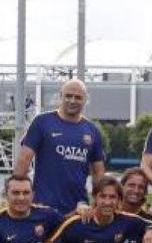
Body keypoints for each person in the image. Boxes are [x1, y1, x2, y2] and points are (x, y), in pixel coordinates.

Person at [15, 79, 106, 215]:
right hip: (42, 207)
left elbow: (98, 173)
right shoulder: (42, 122)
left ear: (85, 99)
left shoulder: (92, 131)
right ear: (60, 96)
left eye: (78, 97)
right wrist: (17, 197)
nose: (72, 100)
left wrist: (98, 204)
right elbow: (23, 160)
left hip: (78, 210)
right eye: (68, 96)